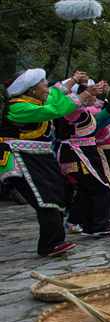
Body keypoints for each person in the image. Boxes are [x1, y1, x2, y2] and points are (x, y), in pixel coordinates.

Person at [0, 68, 79, 256]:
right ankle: (49, 244)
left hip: (38, 157)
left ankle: (54, 241)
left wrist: (67, 84)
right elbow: (56, 109)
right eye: (43, 84)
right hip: (20, 157)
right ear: (32, 89)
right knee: (44, 197)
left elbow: (52, 102)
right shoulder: (17, 107)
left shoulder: (33, 103)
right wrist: (75, 94)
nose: (47, 88)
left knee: (56, 193)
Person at [56, 78, 110, 236]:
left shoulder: (82, 112)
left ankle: (85, 223)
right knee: (100, 187)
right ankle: (99, 224)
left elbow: (98, 118)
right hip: (77, 152)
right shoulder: (70, 112)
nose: (94, 97)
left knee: (87, 190)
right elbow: (97, 117)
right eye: (90, 93)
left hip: (82, 151)